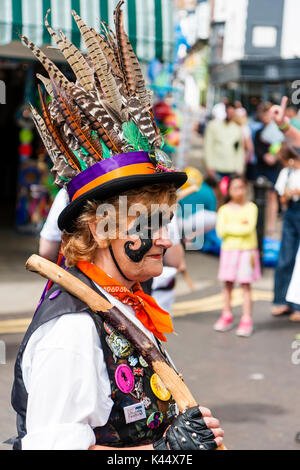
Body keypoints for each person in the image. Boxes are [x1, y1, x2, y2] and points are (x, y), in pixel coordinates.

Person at [11, 5, 224, 451]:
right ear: (101, 228)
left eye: (163, 221)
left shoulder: (121, 304)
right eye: (147, 222)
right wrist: (162, 454)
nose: (164, 238)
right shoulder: (71, 332)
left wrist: (180, 433)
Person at [214, 175, 261, 337]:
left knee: (246, 285)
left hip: (247, 252)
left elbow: (248, 229)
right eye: (235, 188)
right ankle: (226, 315)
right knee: (227, 285)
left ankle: (246, 319)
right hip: (229, 251)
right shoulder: (224, 210)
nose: (239, 191)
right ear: (228, 190)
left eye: (242, 187)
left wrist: (231, 228)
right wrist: (240, 226)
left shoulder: (251, 207)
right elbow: (221, 231)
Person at [272, 144, 300, 320]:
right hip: (292, 213)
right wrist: (289, 194)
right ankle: (282, 301)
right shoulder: (286, 173)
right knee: (286, 257)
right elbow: (282, 198)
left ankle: (297, 305)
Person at [254, 104, 283, 235]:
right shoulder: (259, 132)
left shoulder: (279, 131)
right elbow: (258, 150)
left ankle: (270, 226)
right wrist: (266, 156)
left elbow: (283, 148)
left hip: (274, 169)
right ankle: (257, 222)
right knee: (258, 196)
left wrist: (275, 156)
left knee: (272, 196)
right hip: (261, 167)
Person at [204, 103, 245, 181]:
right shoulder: (213, 126)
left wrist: (239, 168)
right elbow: (208, 146)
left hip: (232, 168)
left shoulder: (237, 129)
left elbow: (239, 150)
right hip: (217, 167)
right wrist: (209, 165)